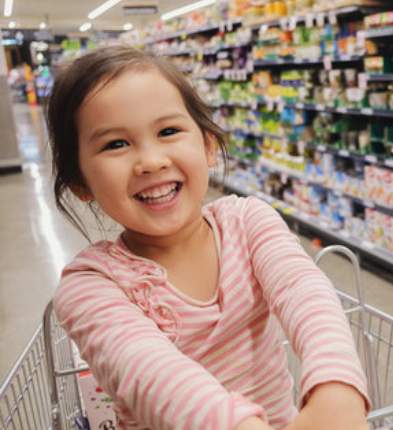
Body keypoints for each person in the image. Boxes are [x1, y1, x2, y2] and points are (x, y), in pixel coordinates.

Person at [48, 46, 369, 430]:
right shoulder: (89, 285)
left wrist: (336, 387)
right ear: (80, 181)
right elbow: (152, 375)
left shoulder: (248, 222)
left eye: (168, 131)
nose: (151, 161)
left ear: (208, 145)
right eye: (116, 144)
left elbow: (305, 292)